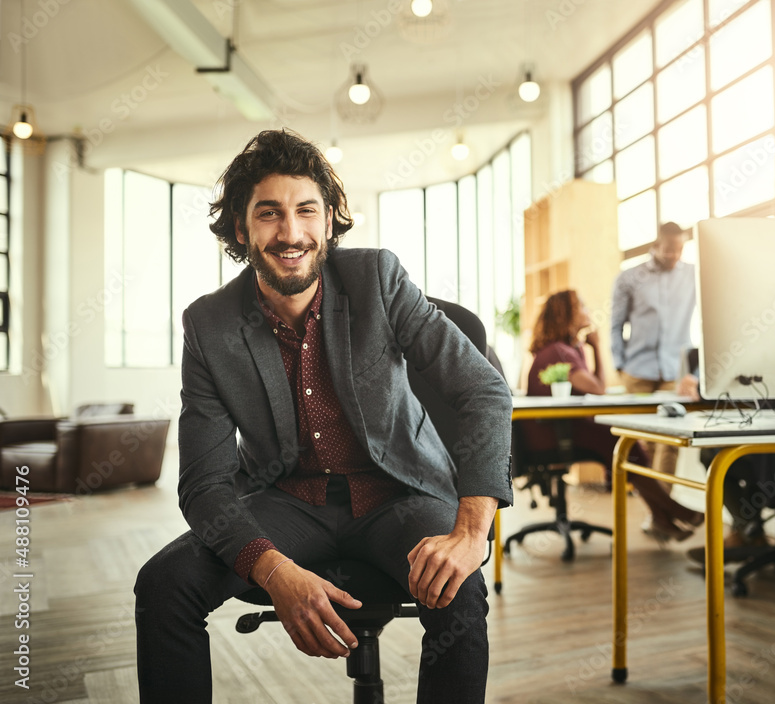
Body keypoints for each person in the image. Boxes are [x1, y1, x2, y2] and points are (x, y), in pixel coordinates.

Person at [133, 129, 513, 704]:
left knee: (459, 588)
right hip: (286, 503)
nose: (291, 233)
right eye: (269, 214)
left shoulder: (378, 280)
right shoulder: (208, 326)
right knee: (164, 584)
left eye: (307, 211)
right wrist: (274, 571)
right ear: (241, 229)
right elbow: (205, 483)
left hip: (400, 495)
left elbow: (483, 389)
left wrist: (470, 532)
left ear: (330, 222)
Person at [522, 290, 702, 540]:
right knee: (621, 442)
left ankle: (663, 517)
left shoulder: (565, 349)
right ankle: (674, 510)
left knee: (622, 442)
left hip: (557, 430)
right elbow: (598, 389)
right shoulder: (560, 351)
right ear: (566, 314)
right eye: (581, 306)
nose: (587, 311)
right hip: (553, 435)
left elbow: (595, 389)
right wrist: (596, 347)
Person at [610, 221, 701, 528]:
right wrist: (620, 363)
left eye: (679, 249)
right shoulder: (631, 278)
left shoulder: (692, 275)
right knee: (640, 442)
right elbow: (615, 324)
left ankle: (660, 512)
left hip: (675, 370)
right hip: (638, 369)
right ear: (657, 245)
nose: (674, 255)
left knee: (669, 438)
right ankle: (662, 510)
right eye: (668, 249)